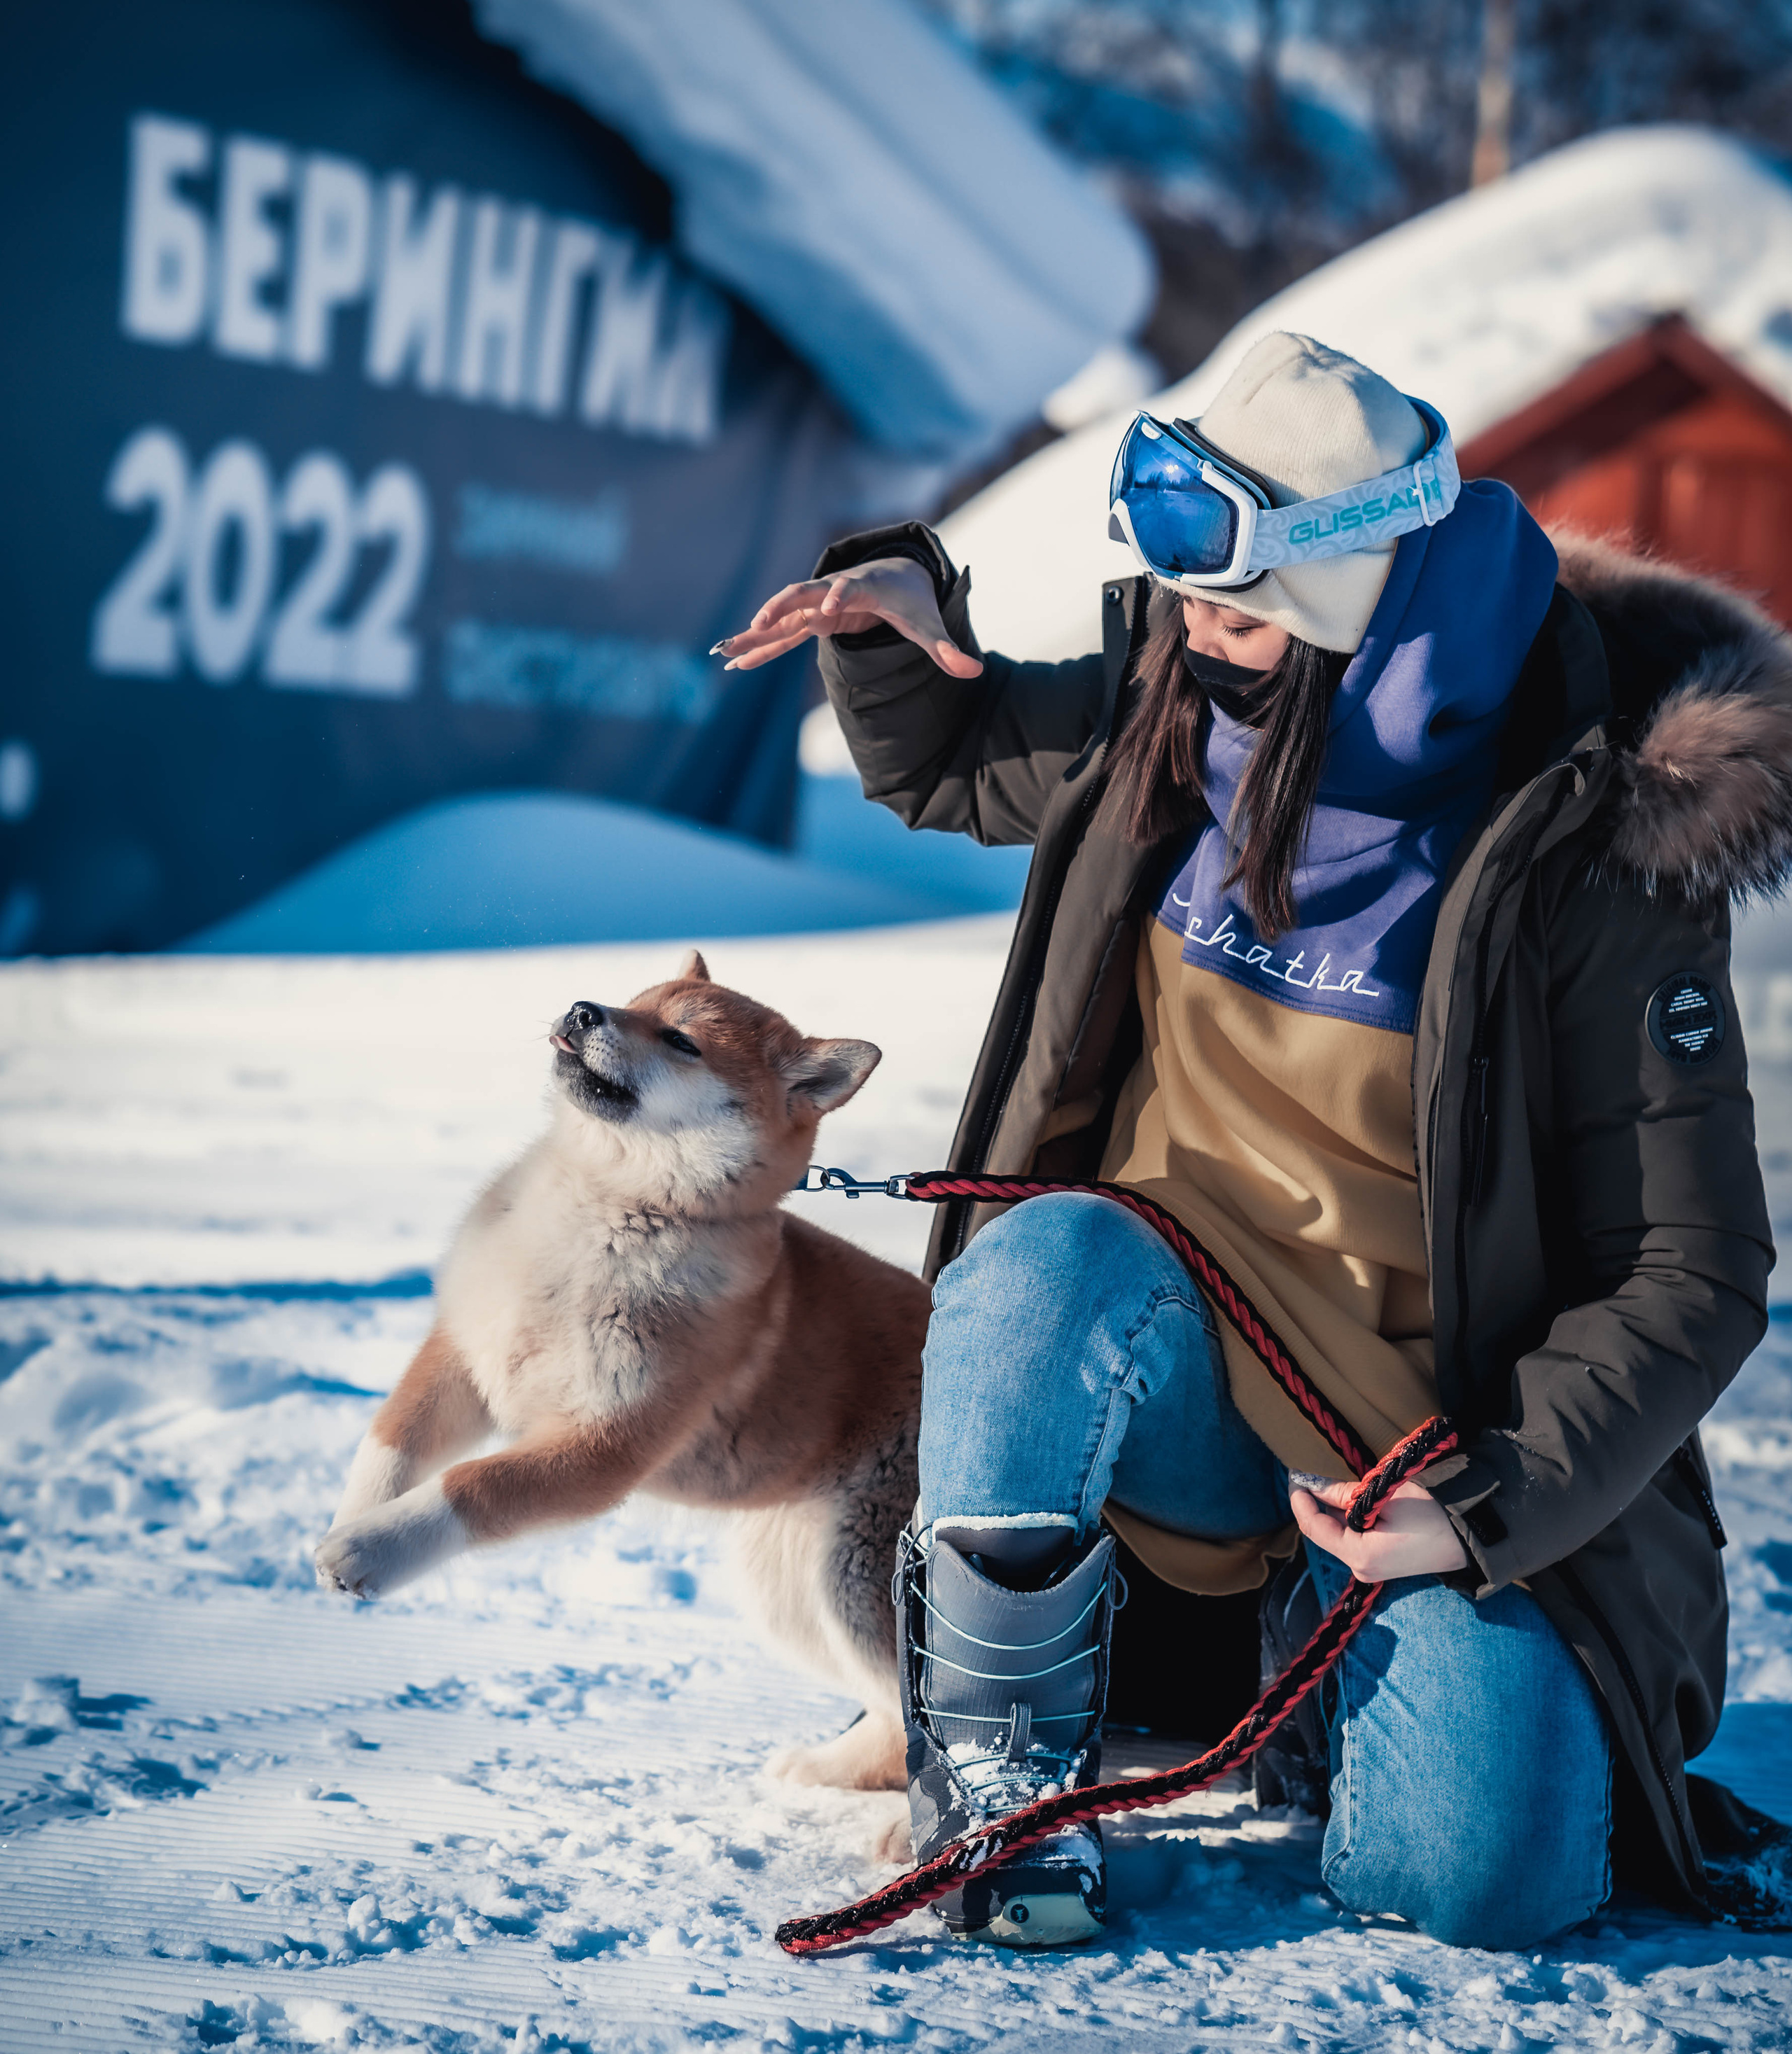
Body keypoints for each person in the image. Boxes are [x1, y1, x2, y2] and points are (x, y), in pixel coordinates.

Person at [718, 333, 1790, 1951]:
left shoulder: (1585, 838)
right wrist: (898, 624)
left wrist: (1486, 1501)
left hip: (1420, 1460)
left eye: (1227, 599)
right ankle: (998, 1792)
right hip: (1160, 1357)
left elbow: (1691, 1266)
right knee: (1043, 1254)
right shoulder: (1187, 697)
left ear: (1352, 601)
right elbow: (955, 757)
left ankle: (1327, 1684)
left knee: (1477, 1887)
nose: (1179, 625)